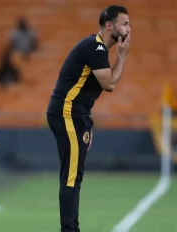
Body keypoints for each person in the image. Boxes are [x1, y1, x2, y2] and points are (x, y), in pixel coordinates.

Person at [46, 5, 131, 232]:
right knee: (72, 175)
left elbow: (86, 90)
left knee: (74, 175)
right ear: (109, 25)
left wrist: (86, 123)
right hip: (67, 112)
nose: (129, 29)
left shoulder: (98, 48)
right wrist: (122, 56)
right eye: (125, 23)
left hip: (75, 113)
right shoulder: (95, 47)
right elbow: (110, 83)